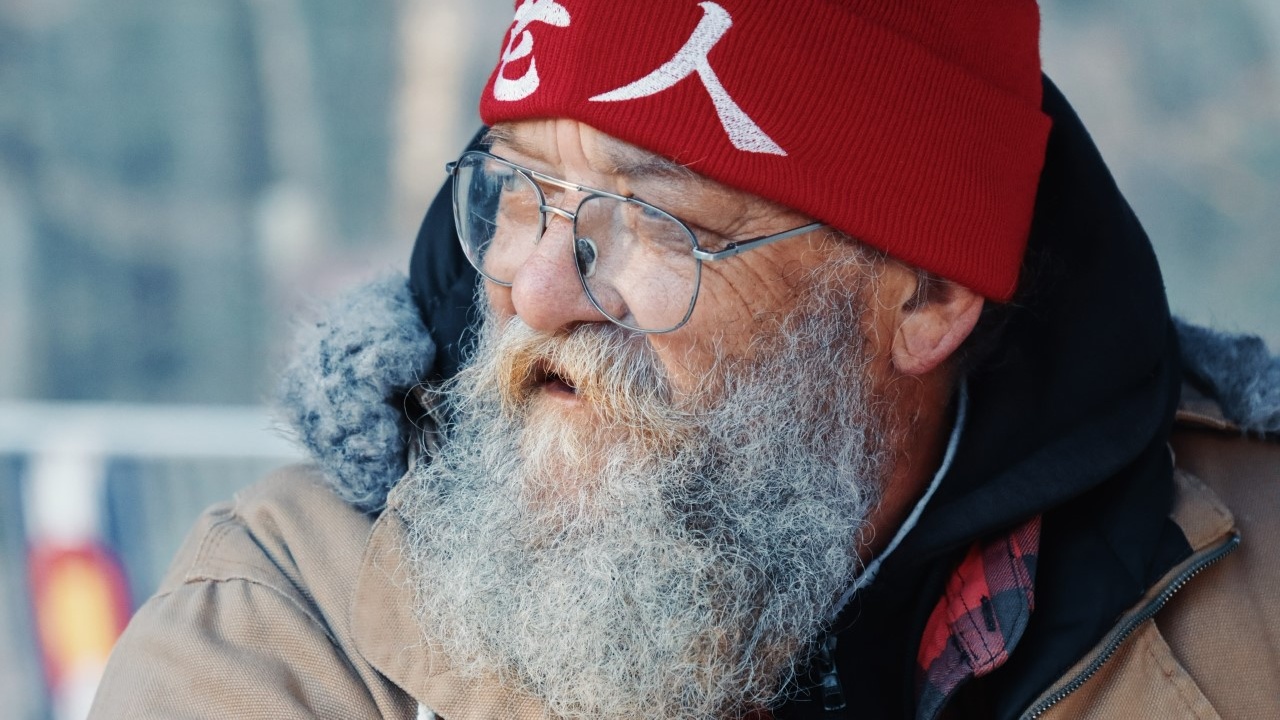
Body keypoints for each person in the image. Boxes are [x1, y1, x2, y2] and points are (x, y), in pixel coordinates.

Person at [91, 1, 1280, 718]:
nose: (541, 293)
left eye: (652, 221)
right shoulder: (281, 616)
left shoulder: (1250, 605)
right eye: (518, 191)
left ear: (923, 293)